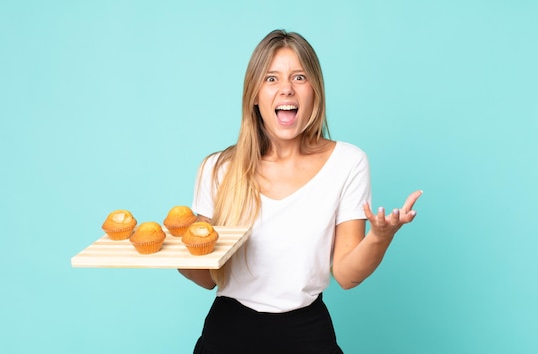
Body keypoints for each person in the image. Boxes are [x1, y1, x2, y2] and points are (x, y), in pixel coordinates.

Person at [178, 29, 422, 354]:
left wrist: (380, 237)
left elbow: (347, 276)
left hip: (306, 334)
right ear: (254, 94)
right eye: (271, 79)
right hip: (227, 334)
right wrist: (178, 251)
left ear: (314, 92)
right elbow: (206, 278)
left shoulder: (348, 163)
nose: (286, 89)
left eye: (299, 77)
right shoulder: (218, 168)